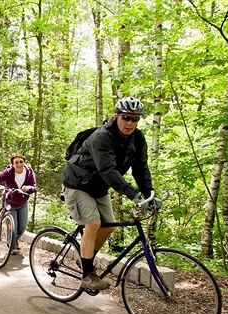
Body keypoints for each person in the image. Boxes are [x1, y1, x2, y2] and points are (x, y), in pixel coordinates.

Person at [61, 97, 157, 290]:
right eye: (125, 117)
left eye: (135, 119)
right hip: (77, 183)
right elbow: (108, 170)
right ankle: (87, 275)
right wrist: (134, 194)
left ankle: (84, 259)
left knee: (109, 226)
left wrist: (149, 193)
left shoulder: (137, 138)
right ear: (116, 116)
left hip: (98, 187)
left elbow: (140, 167)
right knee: (93, 223)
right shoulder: (102, 136)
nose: (130, 122)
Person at [0, 153, 37, 255]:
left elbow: (34, 187)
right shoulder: (9, 172)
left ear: (24, 162)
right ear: (12, 164)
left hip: (23, 202)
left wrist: (28, 188)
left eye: (21, 161)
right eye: (16, 162)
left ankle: (13, 240)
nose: (19, 164)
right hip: (10, 202)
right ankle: (11, 244)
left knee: (22, 227)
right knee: (13, 226)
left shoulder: (29, 172)